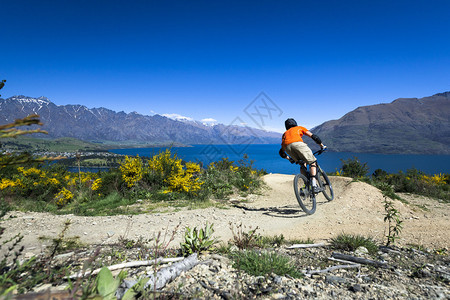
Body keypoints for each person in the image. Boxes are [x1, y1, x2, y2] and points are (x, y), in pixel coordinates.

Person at [279, 118, 325, 193]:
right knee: (312, 162)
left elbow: (281, 152)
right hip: (298, 145)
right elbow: (314, 137)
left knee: (302, 164)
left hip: (288, 148)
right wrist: (322, 145)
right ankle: (314, 185)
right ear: (295, 123)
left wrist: (289, 158)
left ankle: (306, 185)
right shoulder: (299, 128)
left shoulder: (284, 134)